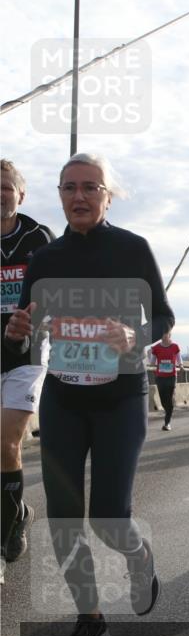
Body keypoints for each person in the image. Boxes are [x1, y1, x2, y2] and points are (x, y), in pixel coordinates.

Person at [4, 153, 174, 636]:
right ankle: (90, 613)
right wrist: (17, 331)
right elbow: (24, 335)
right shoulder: (44, 259)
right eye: (69, 188)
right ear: (59, 195)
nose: (79, 196)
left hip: (120, 397)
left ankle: (138, 557)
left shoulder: (133, 249)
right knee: (62, 516)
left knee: (108, 518)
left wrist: (135, 336)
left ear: (106, 195)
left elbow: (163, 317)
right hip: (64, 399)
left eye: (90, 187)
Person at [1, 159, 54, 582]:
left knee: (6, 441)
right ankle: (18, 512)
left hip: (26, 355)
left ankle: (2, 545)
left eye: (5, 187)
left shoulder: (40, 239)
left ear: (21, 194)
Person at [150, 330, 182, 431]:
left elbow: (179, 359)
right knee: (163, 399)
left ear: (169, 335)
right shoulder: (156, 348)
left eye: (166, 334)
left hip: (172, 376)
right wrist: (150, 360)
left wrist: (180, 365)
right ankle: (167, 411)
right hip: (160, 376)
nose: (164, 336)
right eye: (162, 334)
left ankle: (167, 422)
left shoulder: (175, 346)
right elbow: (152, 362)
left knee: (169, 397)